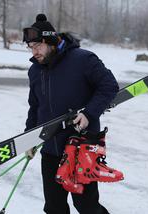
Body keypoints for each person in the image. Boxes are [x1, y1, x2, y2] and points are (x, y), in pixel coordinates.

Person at [23, 14, 119, 214]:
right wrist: (28, 138)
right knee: (54, 207)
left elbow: (109, 86)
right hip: (49, 148)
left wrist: (89, 113)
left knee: (86, 206)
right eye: (30, 47)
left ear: (50, 41)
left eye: (37, 46)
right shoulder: (35, 70)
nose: (34, 52)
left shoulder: (83, 59)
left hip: (80, 148)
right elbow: (35, 107)